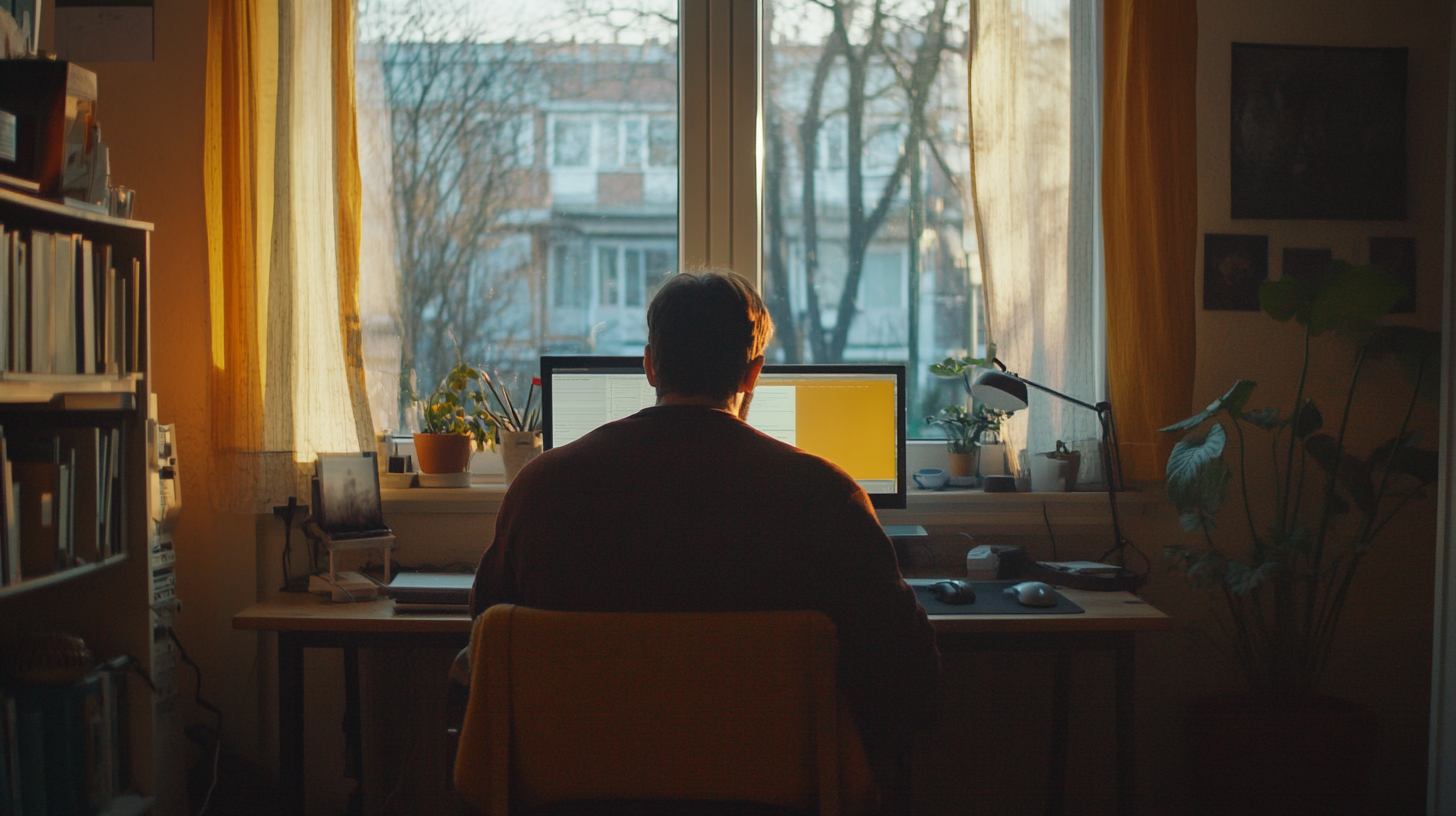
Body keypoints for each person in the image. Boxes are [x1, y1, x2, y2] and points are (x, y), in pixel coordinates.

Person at [470, 268, 939, 784]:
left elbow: (485, 651)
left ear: (650, 365)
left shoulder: (540, 489)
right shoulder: (826, 496)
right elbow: (910, 678)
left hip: (577, 792)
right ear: (752, 373)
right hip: (769, 794)